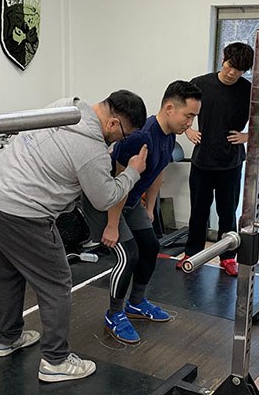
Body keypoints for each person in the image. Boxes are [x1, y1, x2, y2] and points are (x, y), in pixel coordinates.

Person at [0, 90, 149, 382]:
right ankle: (55, 361)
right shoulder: (91, 149)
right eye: (123, 135)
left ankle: (7, 338)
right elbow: (105, 198)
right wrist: (132, 172)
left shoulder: (66, 106)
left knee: (7, 275)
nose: (120, 141)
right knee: (57, 283)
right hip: (23, 214)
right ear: (113, 123)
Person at [82, 81, 202, 344]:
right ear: (170, 108)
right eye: (188, 116)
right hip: (107, 201)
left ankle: (135, 304)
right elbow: (116, 181)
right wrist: (112, 224)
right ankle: (114, 314)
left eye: (194, 116)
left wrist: (148, 208)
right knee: (129, 255)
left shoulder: (169, 135)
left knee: (150, 246)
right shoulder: (140, 135)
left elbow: (158, 172)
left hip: (131, 201)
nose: (190, 123)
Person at [177, 42, 259, 276]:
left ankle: (227, 257)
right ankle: (191, 252)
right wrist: (188, 130)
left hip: (230, 163)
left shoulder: (249, 90)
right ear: (223, 59)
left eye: (239, 69)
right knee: (199, 212)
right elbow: (181, 110)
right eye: (230, 66)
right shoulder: (200, 84)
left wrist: (248, 135)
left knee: (227, 213)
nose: (232, 72)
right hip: (202, 161)